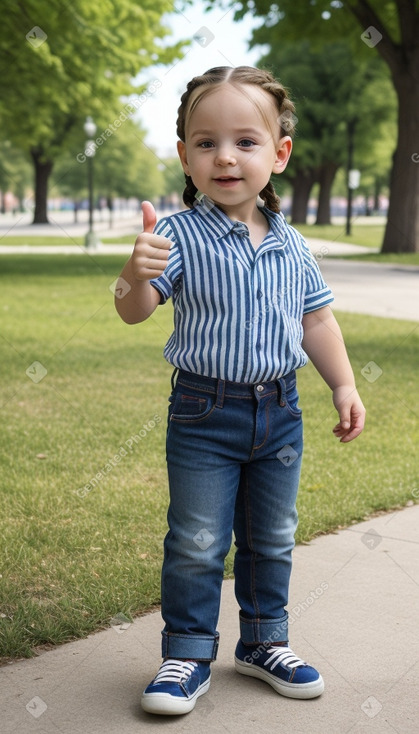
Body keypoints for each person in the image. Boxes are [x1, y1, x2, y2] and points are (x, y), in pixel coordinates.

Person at [115, 65, 366, 716]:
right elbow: (134, 310)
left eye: (244, 141)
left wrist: (341, 384)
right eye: (205, 142)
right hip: (204, 411)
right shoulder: (175, 237)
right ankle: (188, 652)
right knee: (197, 539)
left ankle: (262, 642)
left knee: (273, 535)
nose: (224, 156)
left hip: (280, 410)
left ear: (278, 153)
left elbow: (315, 319)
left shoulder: (292, 245)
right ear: (185, 157)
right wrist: (134, 274)